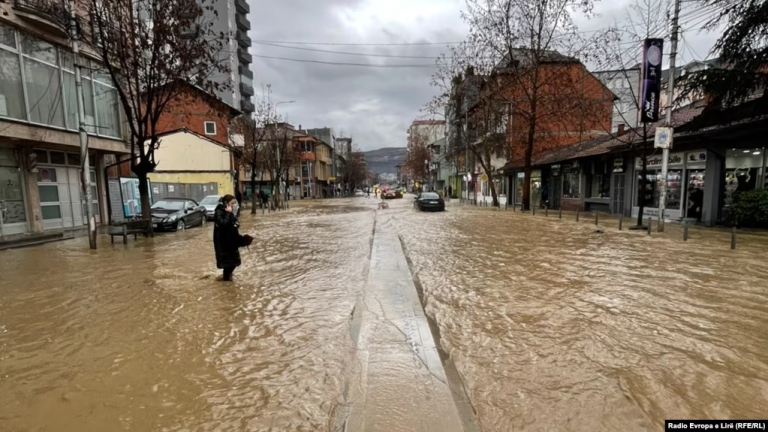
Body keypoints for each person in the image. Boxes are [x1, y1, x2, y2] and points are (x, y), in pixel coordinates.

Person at [213, 195, 252, 281]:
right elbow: (223, 224)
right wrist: (228, 213)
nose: (233, 205)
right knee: (228, 264)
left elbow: (235, 221)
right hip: (223, 243)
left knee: (234, 263)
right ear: (226, 203)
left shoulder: (230, 212)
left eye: (234, 203)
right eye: (232, 203)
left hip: (231, 241)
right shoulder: (219, 211)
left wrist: (236, 224)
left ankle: (227, 278)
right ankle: (226, 281)